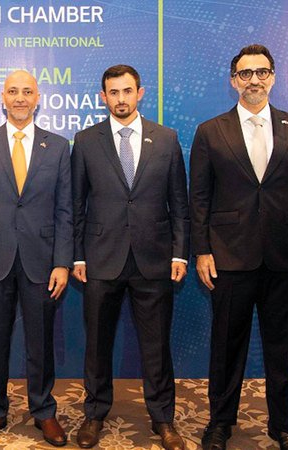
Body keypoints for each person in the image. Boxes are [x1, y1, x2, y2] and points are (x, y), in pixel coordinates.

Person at [189, 44, 288, 450]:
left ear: (273, 77)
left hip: (286, 257)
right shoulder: (210, 131)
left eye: (262, 72)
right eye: (246, 73)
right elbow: (199, 198)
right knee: (226, 348)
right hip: (229, 256)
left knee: (282, 347)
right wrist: (202, 250)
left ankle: (284, 427)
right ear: (234, 80)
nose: (254, 80)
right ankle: (220, 424)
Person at [71, 64, 190, 450]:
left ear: (140, 93)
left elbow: (180, 202)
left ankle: (163, 419)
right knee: (97, 344)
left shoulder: (167, 139)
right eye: (113, 92)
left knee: (157, 346)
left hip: (154, 258)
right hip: (100, 258)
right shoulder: (85, 141)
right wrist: (77, 256)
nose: (120, 99)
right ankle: (94, 414)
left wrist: (180, 254)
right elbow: (75, 205)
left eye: (127, 91)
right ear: (103, 97)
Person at [0, 70, 72, 447]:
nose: (20, 98)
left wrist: (62, 262)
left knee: (40, 342)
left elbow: (65, 210)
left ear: (38, 98)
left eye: (27, 91)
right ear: (3, 98)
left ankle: (43, 411)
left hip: (42, 261)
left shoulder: (58, 146)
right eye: (13, 91)